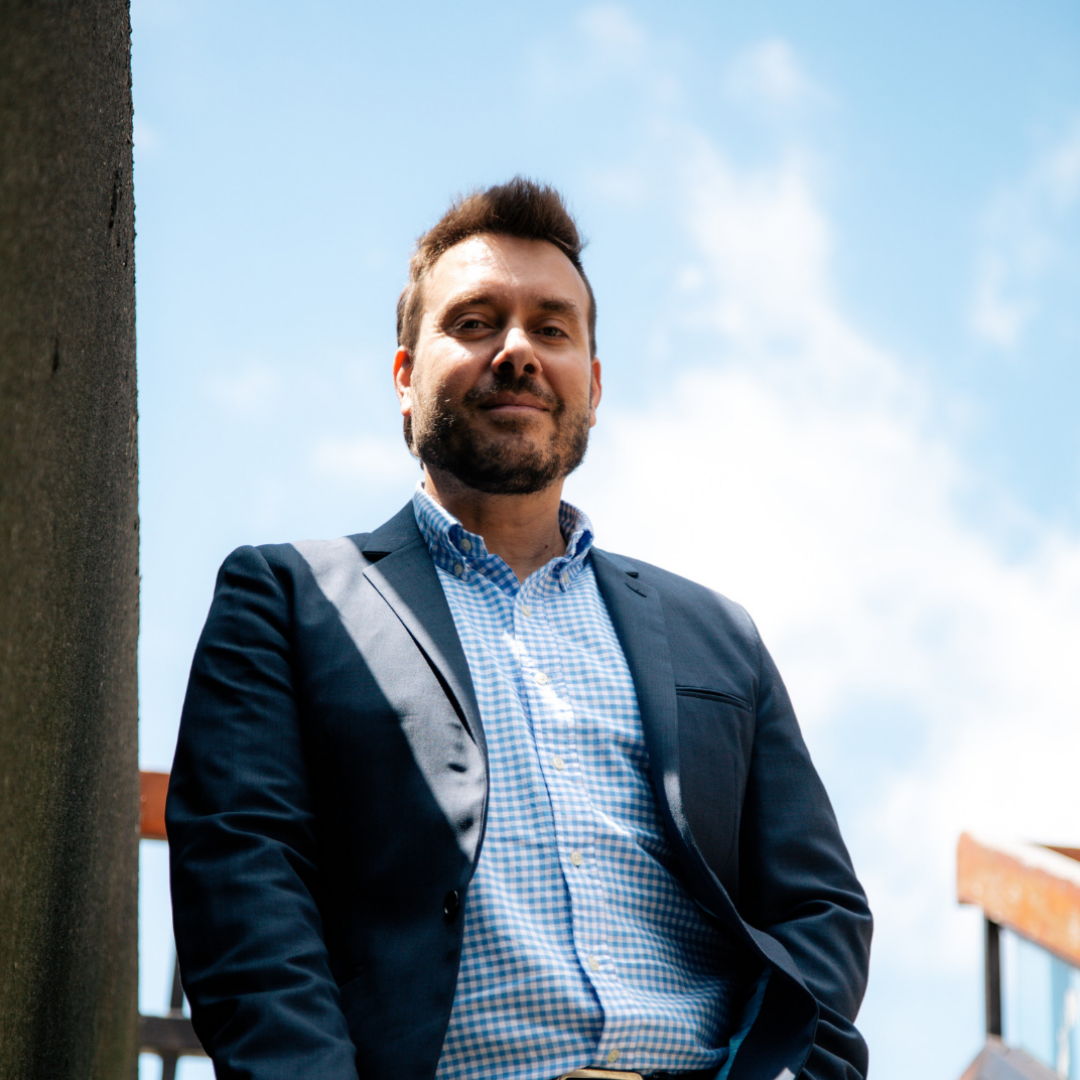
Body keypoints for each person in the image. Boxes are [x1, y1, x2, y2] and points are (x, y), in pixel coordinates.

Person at [167, 177, 872, 1080]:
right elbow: (244, 886)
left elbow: (820, 912)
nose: (517, 352)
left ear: (594, 382)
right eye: (473, 322)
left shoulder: (718, 635)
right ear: (404, 379)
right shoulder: (287, 599)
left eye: (552, 328)